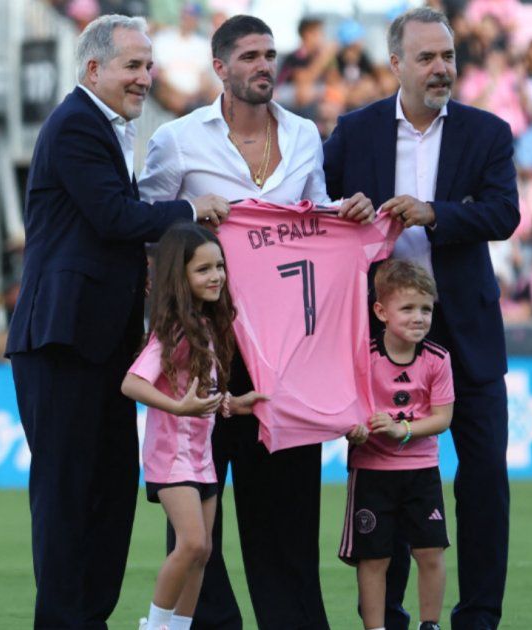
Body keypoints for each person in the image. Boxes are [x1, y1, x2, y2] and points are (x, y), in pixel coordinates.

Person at [139, 15, 372, 630]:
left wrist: (346, 213)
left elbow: (313, 217)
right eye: (249, 56)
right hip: (206, 350)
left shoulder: (301, 135)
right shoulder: (179, 140)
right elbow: (146, 228)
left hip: (287, 352)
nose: (263, 65)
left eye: (270, 54)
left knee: (288, 516)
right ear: (220, 67)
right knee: (200, 515)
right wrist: (192, 223)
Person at [4, 14, 230, 628]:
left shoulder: (101, 128)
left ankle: (89, 618)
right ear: (92, 68)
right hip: (63, 340)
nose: (144, 77)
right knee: (69, 496)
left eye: (148, 65)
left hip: (98, 344)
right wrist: (189, 210)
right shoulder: (76, 123)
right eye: (132, 65)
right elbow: (112, 216)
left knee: (104, 496)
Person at [323, 7, 520, 628]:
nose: (442, 69)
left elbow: (503, 215)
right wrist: (344, 207)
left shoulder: (486, 132)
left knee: (484, 476)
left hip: (466, 333)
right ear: (396, 64)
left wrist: (434, 213)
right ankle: (393, 617)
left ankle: (478, 616)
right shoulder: (353, 132)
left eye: (449, 57)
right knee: (387, 473)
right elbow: (320, 208)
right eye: (428, 57)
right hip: (380, 331)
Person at [121, 223, 265, 630]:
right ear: (179, 277)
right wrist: (177, 408)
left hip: (201, 460)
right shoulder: (175, 331)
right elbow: (131, 382)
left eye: (219, 266)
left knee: (203, 552)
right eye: (203, 269)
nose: (216, 275)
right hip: (171, 459)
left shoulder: (207, 327)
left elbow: (204, 396)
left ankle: (180, 626)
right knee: (194, 543)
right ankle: (156, 624)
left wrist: (234, 404)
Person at [339, 259, 454, 630]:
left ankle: (430, 624)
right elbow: (347, 406)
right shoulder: (363, 356)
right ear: (380, 311)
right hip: (372, 473)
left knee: (430, 552)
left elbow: (442, 418)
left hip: (421, 472)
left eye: (425, 308)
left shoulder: (438, 359)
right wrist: (354, 428)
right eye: (407, 308)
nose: (418, 317)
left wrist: (401, 429)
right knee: (374, 559)